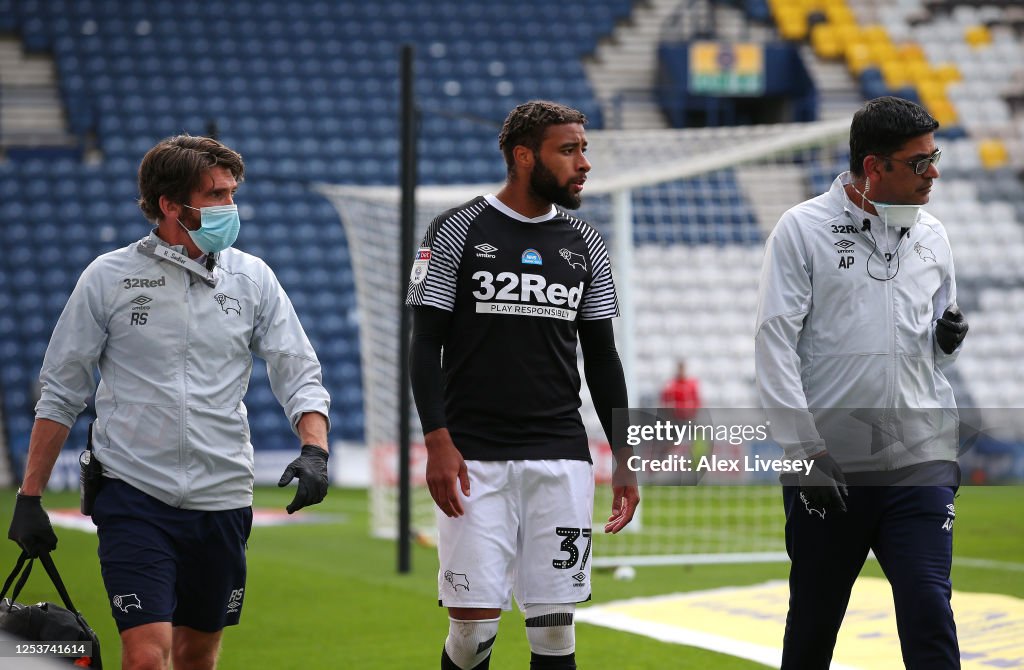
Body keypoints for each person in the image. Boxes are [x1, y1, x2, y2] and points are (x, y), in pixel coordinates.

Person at [7, 135, 332, 670]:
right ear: (170, 205)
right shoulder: (107, 277)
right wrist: (29, 496)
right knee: (144, 656)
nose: (230, 207)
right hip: (133, 494)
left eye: (232, 193)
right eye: (216, 195)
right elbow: (62, 390)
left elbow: (298, 371)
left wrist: (314, 449)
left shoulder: (254, 279)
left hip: (224, 493)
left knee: (197, 656)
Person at [407, 100, 639, 670]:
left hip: (561, 458)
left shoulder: (586, 241)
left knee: (556, 635)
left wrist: (625, 455)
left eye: (584, 149)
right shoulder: (457, 228)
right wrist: (437, 439)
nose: (583, 163)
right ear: (522, 155)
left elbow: (603, 359)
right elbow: (423, 343)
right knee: (473, 634)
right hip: (473, 458)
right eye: (569, 150)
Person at [755, 96, 968, 669]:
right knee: (815, 624)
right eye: (920, 161)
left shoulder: (934, 236)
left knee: (928, 606)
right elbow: (774, 346)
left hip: (920, 457)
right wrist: (804, 450)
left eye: (935, 157)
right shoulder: (802, 230)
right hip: (831, 465)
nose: (935, 172)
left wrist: (943, 345)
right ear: (875, 167)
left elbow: (929, 352)